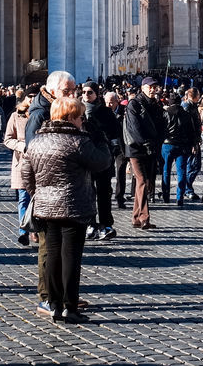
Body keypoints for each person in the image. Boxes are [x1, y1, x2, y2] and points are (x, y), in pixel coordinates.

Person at [20, 96, 112, 323]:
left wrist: (39, 194)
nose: (83, 121)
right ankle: (70, 307)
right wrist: (100, 139)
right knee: (70, 256)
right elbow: (102, 162)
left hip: (46, 207)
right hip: (74, 206)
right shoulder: (78, 141)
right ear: (70, 118)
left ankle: (53, 304)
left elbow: (26, 174)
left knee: (52, 254)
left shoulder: (37, 141)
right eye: (80, 117)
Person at [82, 81, 121, 241]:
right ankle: (90, 223)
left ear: (97, 94)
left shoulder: (105, 112)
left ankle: (106, 224)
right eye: (83, 92)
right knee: (87, 192)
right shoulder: (77, 110)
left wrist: (112, 149)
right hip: (85, 158)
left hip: (103, 157)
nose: (86, 95)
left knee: (104, 192)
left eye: (89, 92)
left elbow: (116, 132)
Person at [123, 77, 162, 231]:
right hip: (136, 148)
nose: (153, 90)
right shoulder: (134, 104)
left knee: (144, 183)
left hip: (151, 148)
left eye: (155, 87)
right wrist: (146, 143)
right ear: (143, 88)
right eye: (150, 87)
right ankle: (144, 218)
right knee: (143, 180)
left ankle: (136, 217)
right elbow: (135, 128)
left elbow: (159, 125)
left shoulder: (155, 104)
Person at [3, 92, 33, 246]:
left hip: (39, 162)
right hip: (21, 160)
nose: (32, 99)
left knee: (38, 199)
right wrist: (22, 146)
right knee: (23, 198)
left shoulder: (44, 113)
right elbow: (7, 139)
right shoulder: (16, 116)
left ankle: (35, 229)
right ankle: (23, 231)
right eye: (30, 96)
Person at [161, 92, 198, 206]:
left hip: (168, 143)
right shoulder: (186, 114)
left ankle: (166, 195)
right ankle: (179, 197)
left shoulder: (166, 113)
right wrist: (193, 144)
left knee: (166, 170)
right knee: (181, 171)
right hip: (183, 145)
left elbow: (161, 129)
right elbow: (191, 131)